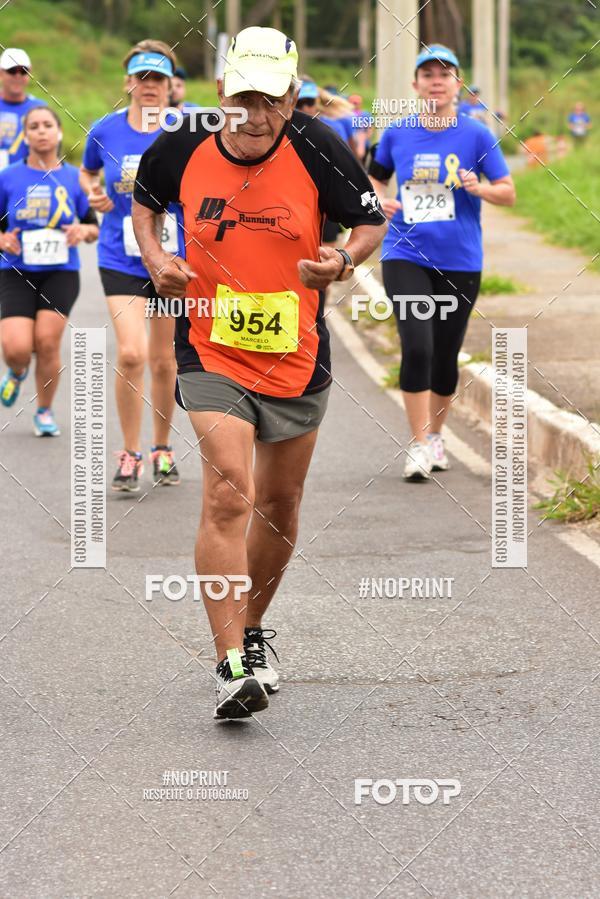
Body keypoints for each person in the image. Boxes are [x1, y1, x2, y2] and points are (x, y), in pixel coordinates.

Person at [132, 26, 386, 719]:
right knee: (228, 491)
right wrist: (156, 259)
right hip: (211, 348)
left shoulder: (318, 147)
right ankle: (228, 664)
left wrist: (343, 259)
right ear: (221, 92)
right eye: (242, 96)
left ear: (293, 95)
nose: (254, 114)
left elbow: (369, 222)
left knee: (280, 506)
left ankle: (249, 628)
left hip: (298, 354)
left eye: (270, 99)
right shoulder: (182, 142)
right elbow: (145, 206)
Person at [369, 44, 515, 481]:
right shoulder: (396, 133)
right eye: (427, 73)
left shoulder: (477, 135)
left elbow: (507, 191)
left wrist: (478, 189)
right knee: (418, 345)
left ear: (457, 84)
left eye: (444, 73)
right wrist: (379, 201)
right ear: (415, 85)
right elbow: (373, 178)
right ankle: (417, 443)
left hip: (460, 259)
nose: (436, 80)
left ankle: (436, 436)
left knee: (445, 354)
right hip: (405, 252)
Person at [80, 40, 185, 492]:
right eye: (141, 78)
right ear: (128, 84)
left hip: (170, 260)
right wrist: (94, 194)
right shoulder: (105, 129)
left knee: (164, 361)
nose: (148, 86)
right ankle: (130, 450)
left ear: (169, 87)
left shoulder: (186, 129)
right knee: (131, 353)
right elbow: (87, 172)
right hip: (121, 257)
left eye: (157, 79)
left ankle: (162, 446)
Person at [0, 106, 98, 433]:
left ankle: (43, 411)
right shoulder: (8, 177)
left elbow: (91, 226)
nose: (41, 131)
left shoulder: (72, 177)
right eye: (34, 126)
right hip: (16, 270)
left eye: (47, 125)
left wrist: (81, 232)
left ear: (58, 133)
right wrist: (3, 239)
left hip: (61, 272)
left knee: (46, 341)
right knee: (15, 348)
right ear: (25, 136)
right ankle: (16, 371)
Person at [0, 48, 47, 171]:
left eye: (23, 71)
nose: (18, 76)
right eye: (12, 71)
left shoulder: (40, 109)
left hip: (26, 183)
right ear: (1, 73)